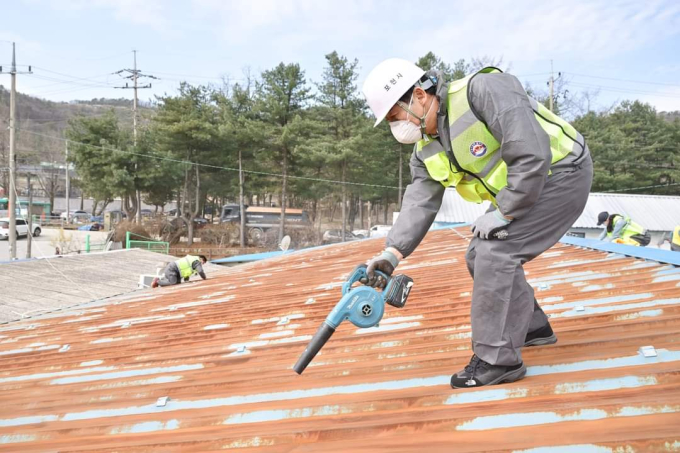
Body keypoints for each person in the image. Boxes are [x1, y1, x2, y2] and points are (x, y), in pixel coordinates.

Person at [361, 59, 593, 389]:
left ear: (419, 96)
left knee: (494, 252)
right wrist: (392, 254)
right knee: (477, 256)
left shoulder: (482, 91)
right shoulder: (426, 148)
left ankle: (498, 360)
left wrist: (505, 211)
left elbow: (532, 152)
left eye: (395, 117)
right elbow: (420, 201)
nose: (396, 129)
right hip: (525, 186)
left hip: (562, 173)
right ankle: (532, 327)